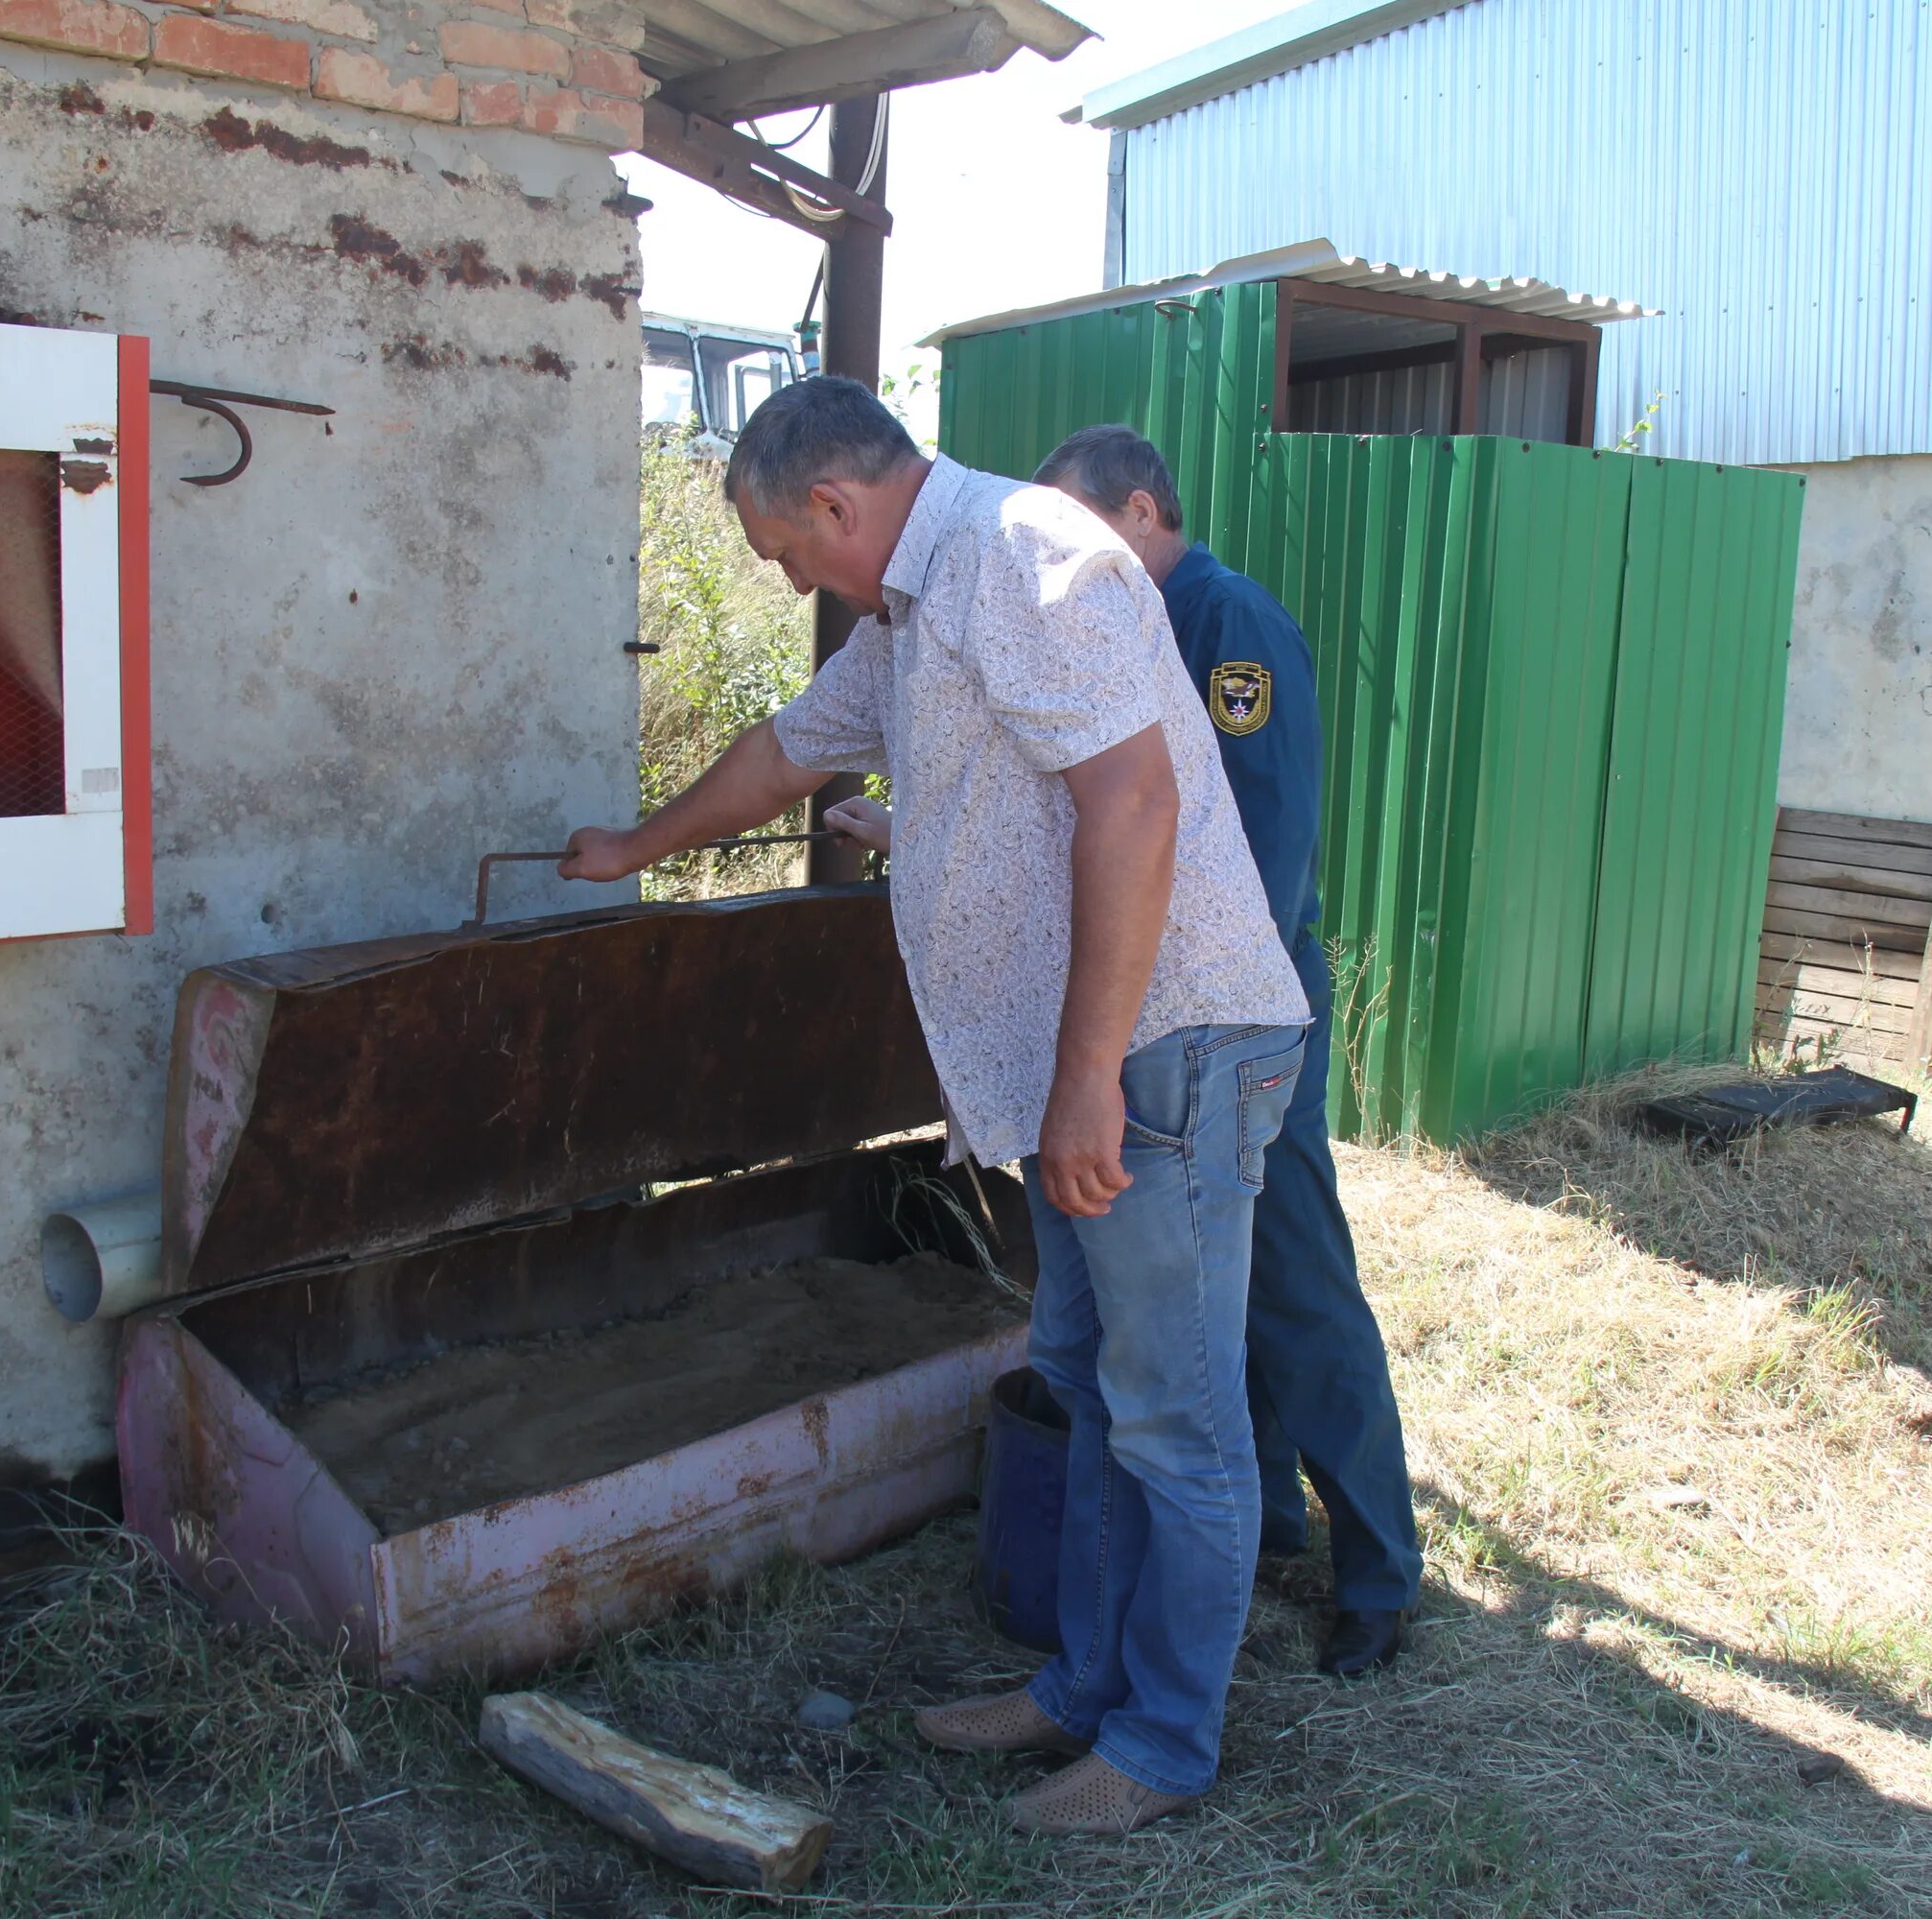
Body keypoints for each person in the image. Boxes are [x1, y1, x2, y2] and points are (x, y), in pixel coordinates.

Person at [558, 378, 1310, 1837]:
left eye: (786, 553)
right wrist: (638, 843)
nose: (791, 580)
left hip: (1165, 1051)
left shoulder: (1031, 559)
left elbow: (1137, 808)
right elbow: (791, 750)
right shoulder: (911, 611)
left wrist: (1087, 1076)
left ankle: (1162, 1744)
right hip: (1085, 1059)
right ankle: (1086, 1689)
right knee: (1090, 1385)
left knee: (1175, 1417)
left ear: (836, 508)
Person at [829, 426, 1424, 1678]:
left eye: (1087, 538)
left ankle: (1380, 1571)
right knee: (1198, 1312)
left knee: (1296, 1288)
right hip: (1135, 1017)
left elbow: (1247, 858)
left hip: (1223, 1004)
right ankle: (1265, 1531)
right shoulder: (1093, 627)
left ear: (1147, 512)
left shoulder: (1224, 625)